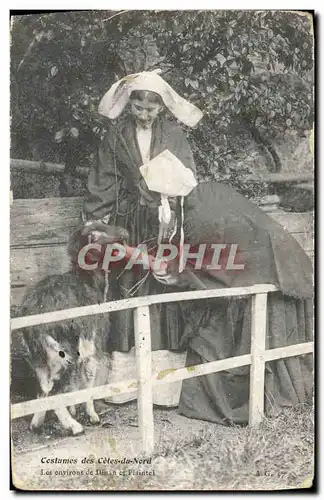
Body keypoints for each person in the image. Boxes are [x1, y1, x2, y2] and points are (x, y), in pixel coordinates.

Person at [82, 70, 203, 405]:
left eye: (151, 108)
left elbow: (187, 176)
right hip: (129, 221)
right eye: (138, 106)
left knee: (162, 284)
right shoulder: (116, 133)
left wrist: (175, 212)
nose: (145, 114)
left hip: (164, 222)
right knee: (128, 283)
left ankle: (164, 389)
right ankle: (125, 384)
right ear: (129, 103)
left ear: (161, 108)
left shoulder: (173, 133)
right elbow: (103, 175)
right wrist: (96, 218)